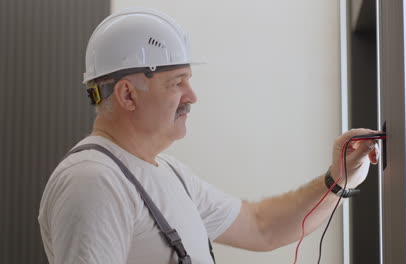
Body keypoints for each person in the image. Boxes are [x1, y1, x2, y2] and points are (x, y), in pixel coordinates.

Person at [38, 7, 380, 264]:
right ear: (128, 95)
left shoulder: (168, 173)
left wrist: (338, 178)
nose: (192, 96)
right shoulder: (94, 182)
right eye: (177, 83)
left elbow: (261, 227)